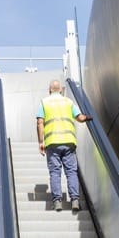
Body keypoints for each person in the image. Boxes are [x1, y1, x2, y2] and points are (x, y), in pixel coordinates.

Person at [35, 79, 92, 212]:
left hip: (52, 143)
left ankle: (57, 202)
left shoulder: (45, 102)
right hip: (69, 142)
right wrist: (90, 117)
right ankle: (75, 201)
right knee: (71, 172)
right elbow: (80, 118)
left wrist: (40, 142)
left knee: (55, 172)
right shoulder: (68, 102)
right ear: (61, 90)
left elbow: (39, 122)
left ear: (49, 90)